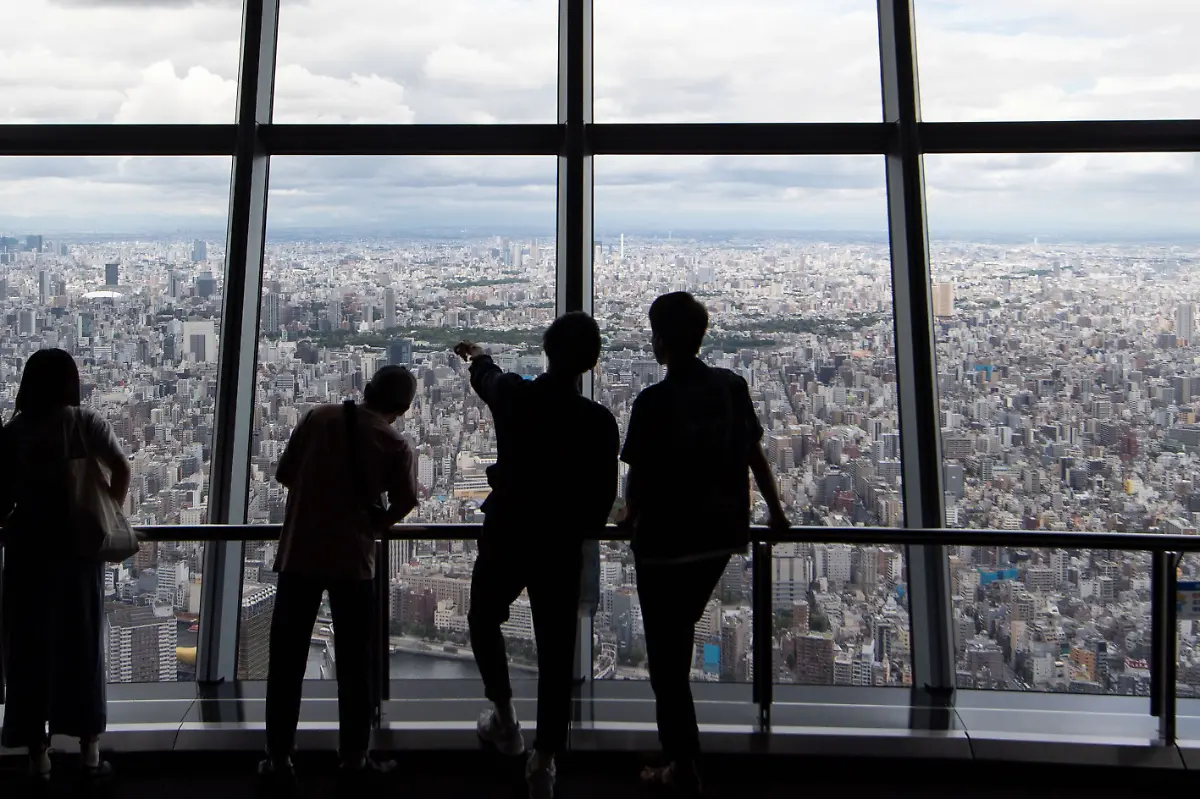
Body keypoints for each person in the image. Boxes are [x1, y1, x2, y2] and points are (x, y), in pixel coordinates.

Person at [620, 292, 788, 794]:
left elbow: (639, 478)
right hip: (721, 539)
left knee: (666, 663)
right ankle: (680, 754)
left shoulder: (652, 402)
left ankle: (683, 765)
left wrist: (629, 516)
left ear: (661, 340)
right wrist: (777, 514)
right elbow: (755, 456)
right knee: (679, 640)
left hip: (665, 545)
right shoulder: (732, 387)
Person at [454, 311, 619, 799]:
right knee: (555, 650)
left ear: (546, 352)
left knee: (483, 617)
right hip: (561, 545)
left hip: (507, 531)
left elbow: (487, 376)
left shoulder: (515, 396)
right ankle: (544, 761)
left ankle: (505, 720)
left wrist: (478, 352)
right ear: (590, 363)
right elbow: (601, 501)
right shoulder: (598, 421)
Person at [260, 365, 419, 787]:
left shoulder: (319, 417)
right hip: (353, 563)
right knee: (355, 666)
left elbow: (283, 475)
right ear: (404, 409)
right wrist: (376, 522)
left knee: (286, 663)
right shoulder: (395, 444)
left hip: (299, 555)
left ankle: (277, 758)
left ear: (366, 389)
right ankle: (354, 758)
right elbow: (406, 501)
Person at [0, 348, 131, 783]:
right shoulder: (86, 423)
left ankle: (37, 756)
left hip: (26, 554)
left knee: (27, 650)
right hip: (78, 552)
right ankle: (90, 751)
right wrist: (107, 512)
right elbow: (122, 468)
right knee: (83, 646)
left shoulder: (13, 433)